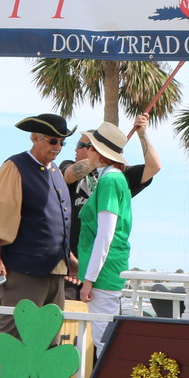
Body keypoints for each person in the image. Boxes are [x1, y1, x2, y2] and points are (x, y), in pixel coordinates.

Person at [0, 113, 74, 378]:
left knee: (48, 335)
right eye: (52, 140)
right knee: (15, 332)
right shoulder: (15, 166)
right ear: (35, 137)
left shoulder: (55, 170)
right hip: (23, 266)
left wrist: (68, 258)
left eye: (62, 141)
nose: (57, 146)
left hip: (53, 268)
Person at [61, 113, 160, 289]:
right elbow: (68, 175)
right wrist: (100, 157)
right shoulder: (69, 164)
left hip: (101, 268)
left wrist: (142, 134)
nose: (75, 149)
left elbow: (154, 166)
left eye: (81, 145)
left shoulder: (117, 176)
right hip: (71, 263)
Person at [75, 122, 133, 348]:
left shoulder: (109, 180)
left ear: (98, 152)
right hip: (109, 269)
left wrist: (89, 280)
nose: (86, 150)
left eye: (89, 146)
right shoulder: (115, 178)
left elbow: (105, 235)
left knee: (102, 340)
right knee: (104, 338)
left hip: (104, 272)